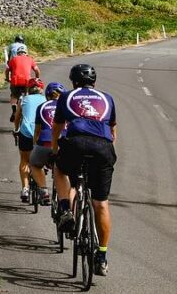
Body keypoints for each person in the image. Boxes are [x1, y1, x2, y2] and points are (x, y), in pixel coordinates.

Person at [52, 63, 117, 277]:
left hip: (76, 143)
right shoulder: (107, 98)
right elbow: (113, 131)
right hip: (103, 148)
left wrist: (55, 149)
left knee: (60, 169)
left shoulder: (67, 97)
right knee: (101, 203)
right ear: (94, 82)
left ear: (73, 82)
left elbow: (58, 126)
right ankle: (102, 256)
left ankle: (65, 209)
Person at [30, 81, 65, 202]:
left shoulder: (42, 107)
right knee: (65, 170)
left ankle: (44, 189)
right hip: (63, 144)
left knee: (34, 164)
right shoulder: (66, 107)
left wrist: (35, 144)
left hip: (45, 142)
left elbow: (37, 130)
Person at [15, 79, 47, 202]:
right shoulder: (46, 100)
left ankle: (25, 188)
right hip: (41, 134)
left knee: (24, 160)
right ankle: (42, 185)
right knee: (40, 160)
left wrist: (16, 129)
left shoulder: (23, 99)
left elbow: (17, 117)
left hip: (26, 133)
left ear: (29, 89)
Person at [5, 43, 41, 126]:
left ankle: (14, 110)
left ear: (18, 53)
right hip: (26, 82)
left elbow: (7, 71)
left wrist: (8, 78)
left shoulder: (13, 59)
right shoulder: (30, 59)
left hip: (15, 81)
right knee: (27, 96)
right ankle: (26, 111)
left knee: (14, 96)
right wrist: (37, 78)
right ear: (26, 53)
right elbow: (37, 71)